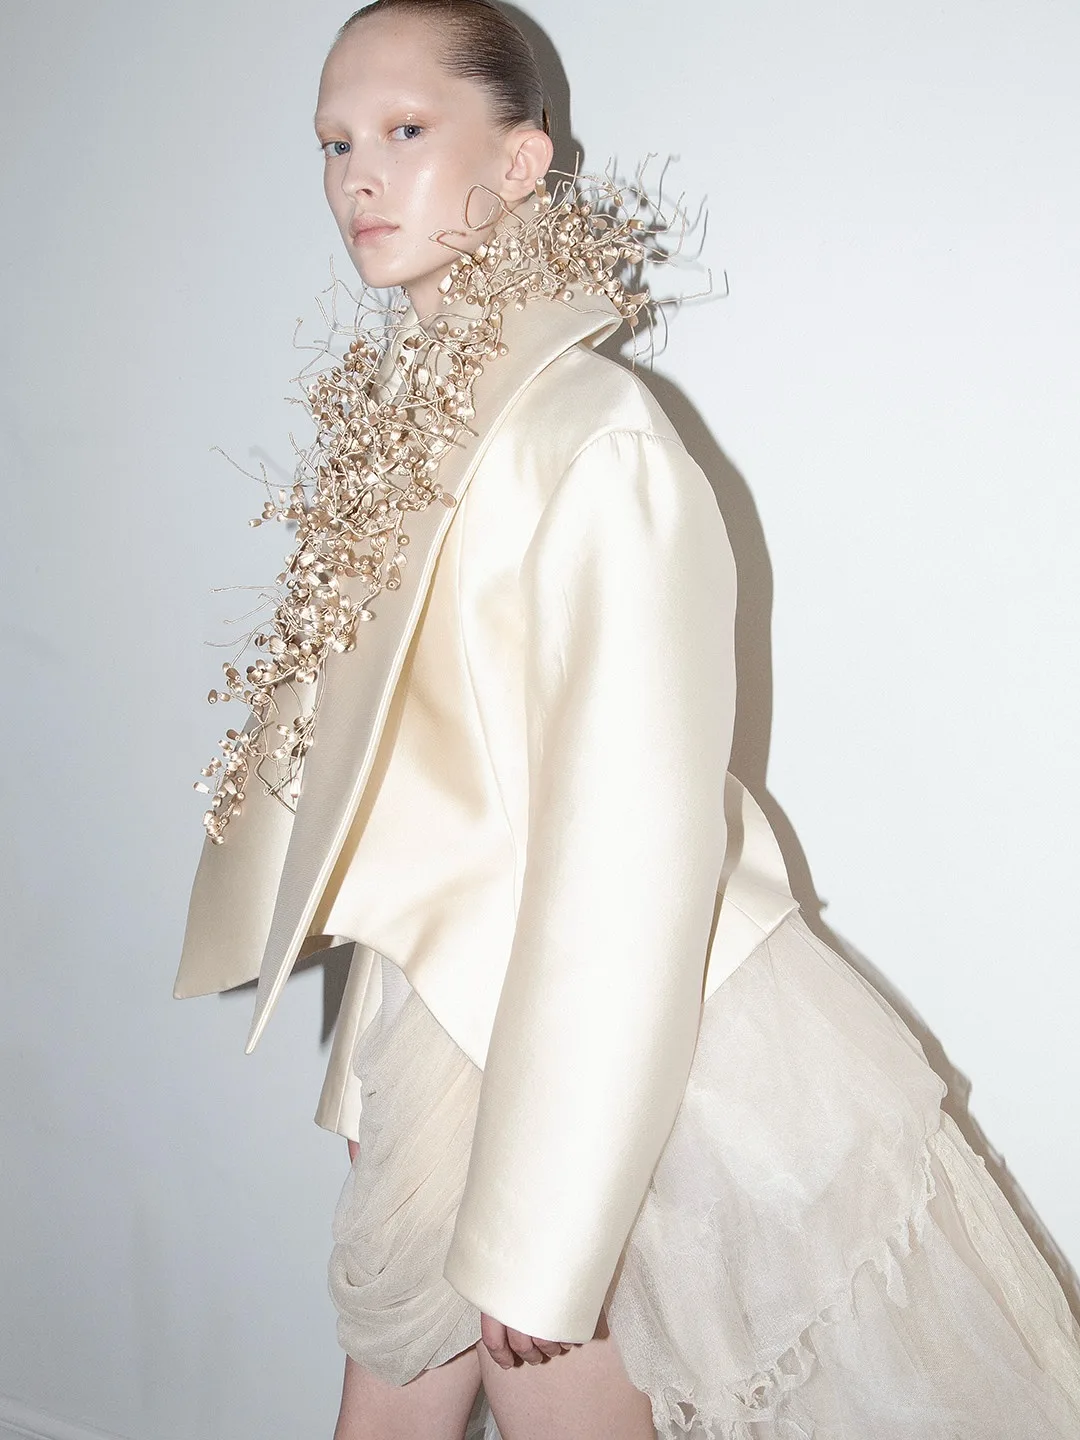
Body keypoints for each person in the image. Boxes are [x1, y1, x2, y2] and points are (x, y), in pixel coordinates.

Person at [174, 2, 1080, 1436]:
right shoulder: (413, 429)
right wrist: (385, 1075)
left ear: (522, 161)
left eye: (405, 130)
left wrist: (550, 1224)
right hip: (445, 1030)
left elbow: (630, 856)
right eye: (335, 143)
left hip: (588, 1060)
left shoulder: (591, 437)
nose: (359, 176)